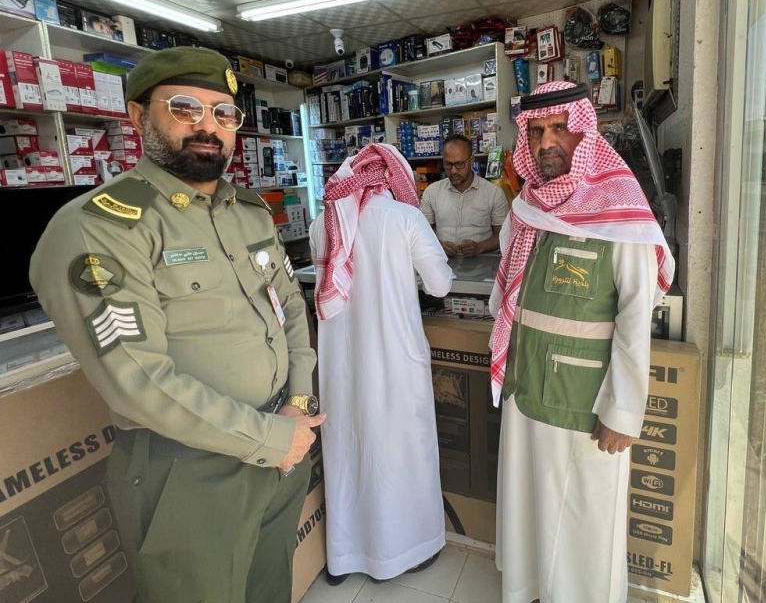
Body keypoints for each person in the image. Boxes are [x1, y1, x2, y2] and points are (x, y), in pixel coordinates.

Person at [29, 47, 324, 603]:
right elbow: (138, 382)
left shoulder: (249, 212)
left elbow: (290, 310)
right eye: (185, 107)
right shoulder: (100, 227)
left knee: (267, 591)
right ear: (138, 116)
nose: (208, 126)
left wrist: (299, 405)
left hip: (280, 444)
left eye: (224, 113)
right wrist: (272, 438)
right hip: (187, 469)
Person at [488, 81, 675, 603]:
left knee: (583, 523)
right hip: (526, 392)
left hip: (585, 405)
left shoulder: (621, 213)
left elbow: (635, 318)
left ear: (585, 133)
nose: (546, 142)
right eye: (536, 132)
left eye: (559, 128)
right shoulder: (526, 209)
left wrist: (624, 411)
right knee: (527, 510)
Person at [310, 143, 453, 584]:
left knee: (349, 454)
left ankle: (346, 556)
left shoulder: (323, 223)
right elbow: (440, 285)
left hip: (342, 370)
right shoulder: (404, 218)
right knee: (402, 453)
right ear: (394, 178)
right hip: (395, 364)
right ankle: (411, 549)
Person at [420, 134, 509, 257]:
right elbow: (422, 233)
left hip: (482, 263)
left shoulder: (493, 193)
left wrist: (480, 247)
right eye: (448, 164)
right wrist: (438, 246)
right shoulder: (431, 192)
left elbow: (503, 235)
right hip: (442, 261)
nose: (453, 171)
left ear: (471, 160)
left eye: (460, 164)